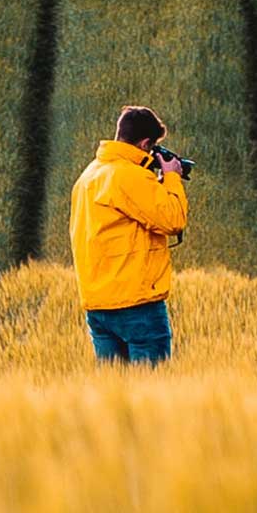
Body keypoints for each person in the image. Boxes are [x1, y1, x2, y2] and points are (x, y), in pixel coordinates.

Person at [69, 105, 189, 365]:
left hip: (98, 305)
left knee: (114, 395)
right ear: (145, 143)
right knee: (148, 394)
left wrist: (154, 183)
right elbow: (173, 220)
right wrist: (171, 179)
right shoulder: (129, 176)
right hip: (136, 306)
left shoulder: (89, 176)